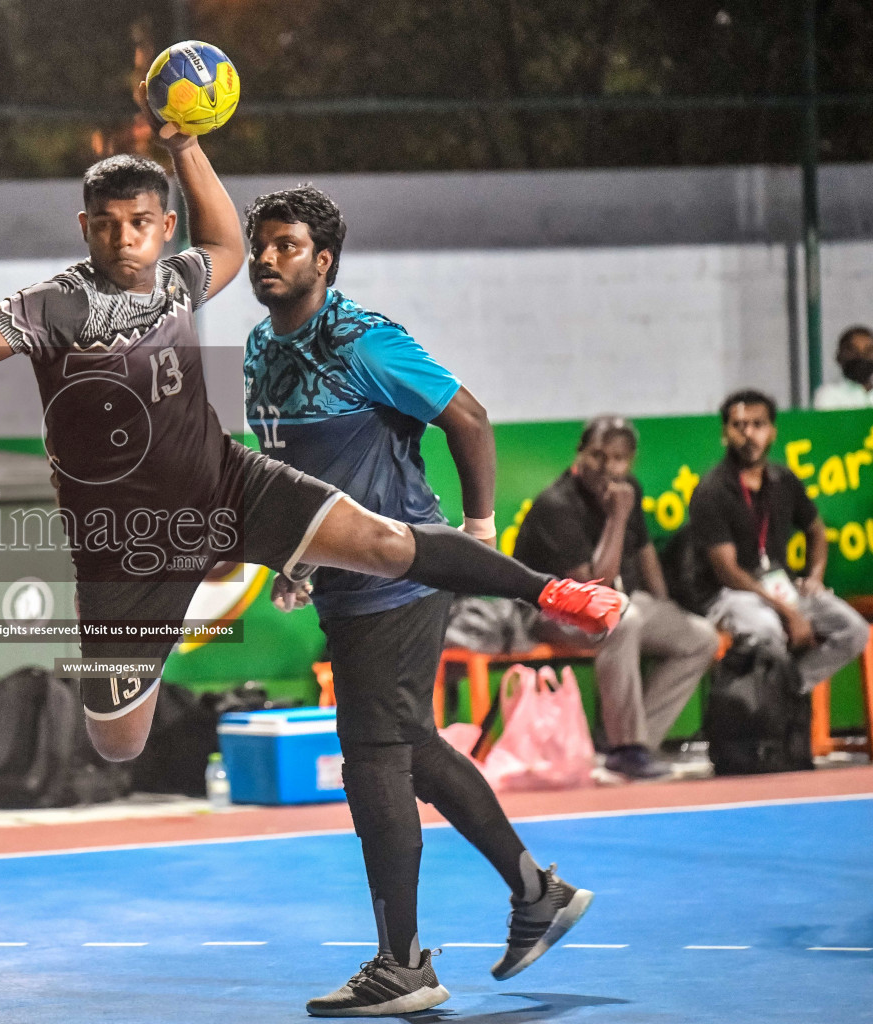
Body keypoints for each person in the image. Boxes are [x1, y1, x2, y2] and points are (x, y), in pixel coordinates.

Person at [0, 87, 621, 768]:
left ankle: (550, 591)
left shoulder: (179, 281)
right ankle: (160, 626)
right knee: (117, 741)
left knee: (394, 542)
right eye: (105, 226)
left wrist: (185, 144)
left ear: (162, 227)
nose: (123, 239)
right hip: (124, 541)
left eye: (139, 223)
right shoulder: (59, 303)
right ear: (84, 228)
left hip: (226, 486)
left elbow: (225, 237)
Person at [242, 185, 594, 1017]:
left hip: (399, 576)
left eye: (285, 245)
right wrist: (295, 560)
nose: (265, 259)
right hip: (340, 580)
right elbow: (297, 476)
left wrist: (475, 536)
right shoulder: (259, 349)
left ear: (323, 261)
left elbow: (468, 418)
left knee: (373, 759)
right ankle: (535, 890)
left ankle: (403, 964)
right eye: (260, 245)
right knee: (413, 746)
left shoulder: (365, 341)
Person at [513, 416, 719, 781]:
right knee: (624, 619)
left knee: (700, 637)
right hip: (550, 613)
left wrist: (665, 605)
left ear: (631, 461)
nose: (607, 467)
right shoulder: (556, 504)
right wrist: (617, 517)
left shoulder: (629, 488)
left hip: (618, 606)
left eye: (618, 459)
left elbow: (644, 553)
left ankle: (629, 745)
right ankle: (628, 749)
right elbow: (593, 588)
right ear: (579, 453)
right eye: (597, 455)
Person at [690, 389, 868, 695]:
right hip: (731, 594)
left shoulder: (783, 479)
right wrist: (790, 614)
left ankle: (784, 691)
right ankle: (768, 701)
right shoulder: (711, 490)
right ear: (725, 433)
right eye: (739, 425)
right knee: (767, 629)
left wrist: (814, 578)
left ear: (772, 430)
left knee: (854, 630)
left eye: (758, 424)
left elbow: (816, 531)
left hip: (780, 586)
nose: (749, 434)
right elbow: (728, 572)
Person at [812, 325, 873, 410]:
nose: (861, 357)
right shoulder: (829, 395)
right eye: (854, 351)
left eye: (868, 351)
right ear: (839, 356)